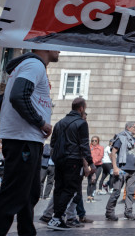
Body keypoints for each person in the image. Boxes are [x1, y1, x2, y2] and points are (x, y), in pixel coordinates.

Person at [0, 49, 58, 236]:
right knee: (13, 195)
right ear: (44, 46)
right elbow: (18, 96)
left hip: (25, 139)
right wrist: (40, 122)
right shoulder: (34, 64)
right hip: (24, 140)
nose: (60, 49)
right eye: (56, 44)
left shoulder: (27, 66)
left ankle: (27, 232)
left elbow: (4, 101)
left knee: (29, 194)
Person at [47, 97, 93, 230]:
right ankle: (57, 217)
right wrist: (90, 163)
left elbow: (53, 144)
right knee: (70, 189)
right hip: (73, 160)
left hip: (59, 160)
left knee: (59, 188)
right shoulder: (81, 123)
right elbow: (84, 145)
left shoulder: (60, 123)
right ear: (81, 108)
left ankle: (56, 218)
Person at [105, 121, 135, 221]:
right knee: (116, 191)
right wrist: (115, 167)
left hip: (133, 170)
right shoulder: (121, 137)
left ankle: (128, 212)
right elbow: (113, 152)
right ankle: (109, 212)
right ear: (128, 128)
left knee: (130, 193)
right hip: (121, 170)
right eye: (134, 127)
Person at [87, 136, 104, 202]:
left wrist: (92, 163)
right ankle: (88, 196)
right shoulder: (89, 148)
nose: (94, 142)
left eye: (95, 140)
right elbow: (87, 156)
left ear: (98, 141)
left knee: (94, 181)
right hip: (89, 166)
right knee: (89, 181)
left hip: (97, 166)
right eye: (92, 140)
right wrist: (89, 164)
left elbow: (100, 156)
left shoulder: (101, 148)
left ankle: (92, 196)